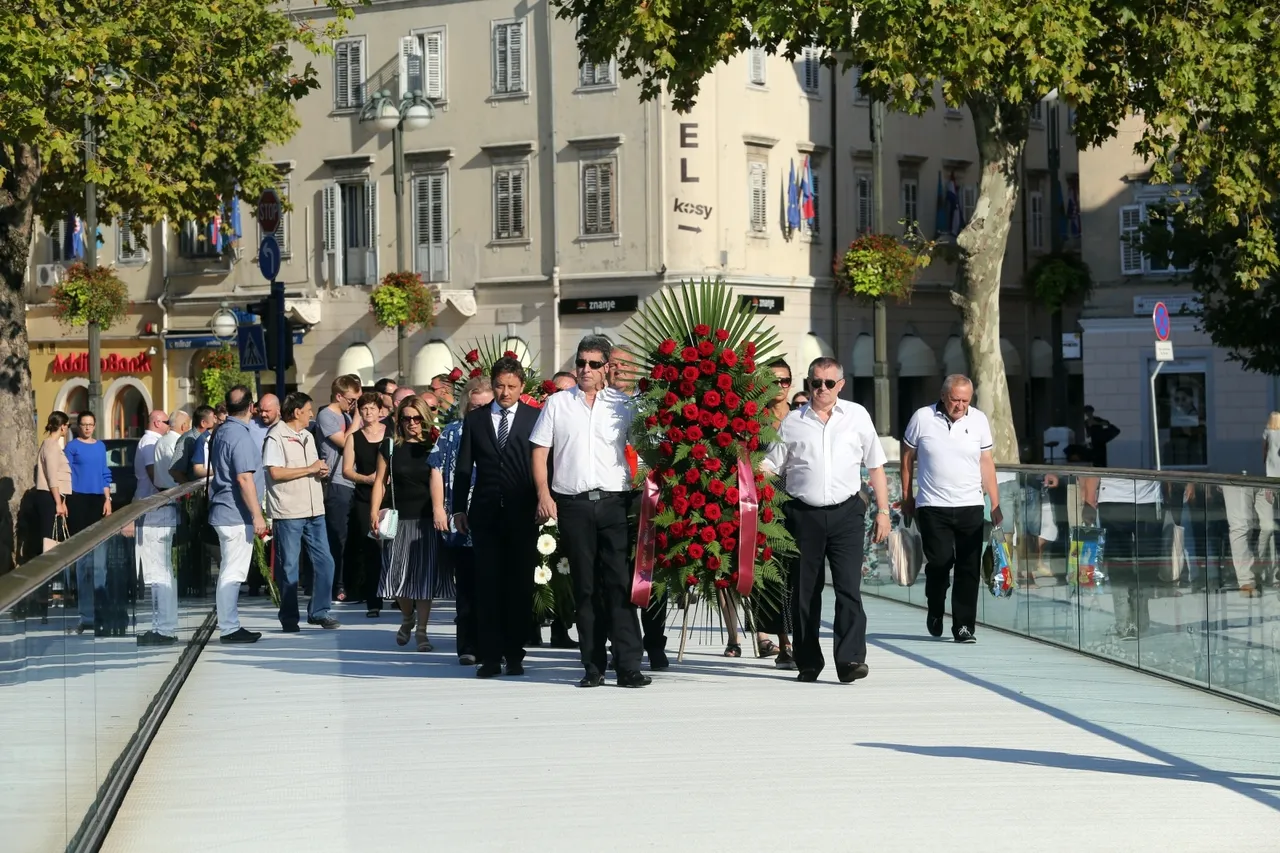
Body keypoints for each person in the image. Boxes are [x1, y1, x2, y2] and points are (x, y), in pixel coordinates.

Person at [531, 335, 650, 689]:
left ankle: (628, 664)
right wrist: (543, 493)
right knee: (585, 586)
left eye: (593, 364)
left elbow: (644, 449)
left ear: (607, 368)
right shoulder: (557, 404)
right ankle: (592, 665)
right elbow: (540, 452)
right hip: (573, 504)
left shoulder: (623, 404)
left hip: (615, 502)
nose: (585, 369)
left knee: (619, 584)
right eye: (581, 362)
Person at [764, 357, 890, 683]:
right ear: (808, 384)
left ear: (841, 385)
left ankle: (850, 661)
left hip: (847, 512)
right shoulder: (792, 422)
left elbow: (875, 466)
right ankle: (808, 661)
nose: (821, 389)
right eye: (815, 383)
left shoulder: (857, 416)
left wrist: (883, 511)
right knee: (806, 591)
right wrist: (740, 480)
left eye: (828, 383)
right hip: (802, 513)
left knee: (849, 588)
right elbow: (771, 467)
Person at [453, 358, 541, 678]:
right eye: (500, 386)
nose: (505, 392)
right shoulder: (475, 420)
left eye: (512, 387)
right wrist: (459, 507)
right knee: (487, 585)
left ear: (522, 387)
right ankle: (489, 656)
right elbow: (464, 467)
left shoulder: (535, 417)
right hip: (485, 512)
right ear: (492, 384)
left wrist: (546, 501)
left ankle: (515, 653)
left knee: (518, 586)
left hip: (523, 511)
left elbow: (543, 465)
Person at [901, 374, 1001, 644]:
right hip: (933, 505)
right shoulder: (922, 417)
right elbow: (907, 457)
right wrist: (907, 496)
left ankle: (964, 626)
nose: (960, 405)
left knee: (969, 567)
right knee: (941, 562)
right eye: (955, 399)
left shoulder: (978, 419)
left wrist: (995, 502)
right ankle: (935, 607)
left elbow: (987, 462)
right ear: (943, 396)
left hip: (970, 504)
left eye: (965, 400)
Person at [369, 395, 446, 652]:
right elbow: (380, 481)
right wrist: (373, 512)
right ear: (399, 420)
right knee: (398, 576)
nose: (412, 423)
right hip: (399, 519)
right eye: (406, 418)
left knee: (423, 580)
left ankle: (422, 631)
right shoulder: (389, 446)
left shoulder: (434, 445)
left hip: (426, 520)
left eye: (416, 418)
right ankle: (406, 618)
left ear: (425, 418)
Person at [609, 346, 666, 669]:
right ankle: (619, 645)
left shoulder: (649, 405)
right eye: (612, 365)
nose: (616, 370)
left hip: (646, 495)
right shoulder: (599, 404)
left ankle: (655, 644)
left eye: (622, 365)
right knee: (615, 574)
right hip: (611, 494)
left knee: (650, 574)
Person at [264, 392, 340, 632]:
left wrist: (320, 472)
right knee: (289, 568)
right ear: (297, 412)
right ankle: (289, 618)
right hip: (289, 512)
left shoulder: (307, 435)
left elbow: (311, 469)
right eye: (308, 410)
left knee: (326, 563)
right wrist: (310, 469)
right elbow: (275, 472)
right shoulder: (276, 436)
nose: (310, 414)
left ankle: (319, 612)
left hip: (314, 510)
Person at [435, 378, 492, 664]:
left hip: (493, 518)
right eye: (474, 406)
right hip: (461, 520)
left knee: (491, 587)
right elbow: (436, 468)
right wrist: (439, 509)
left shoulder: (497, 431)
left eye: (485, 406)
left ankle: (492, 645)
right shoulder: (452, 432)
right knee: (467, 587)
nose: (479, 411)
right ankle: (468, 646)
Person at [209, 386, 268, 644]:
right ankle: (230, 627)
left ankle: (229, 625)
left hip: (225, 510)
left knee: (228, 571)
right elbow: (244, 478)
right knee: (233, 573)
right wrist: (257, 516)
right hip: (235, 514)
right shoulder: (240, 436)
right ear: (252, 407)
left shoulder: (222, 432)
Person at [1080, 474, 1163, 638]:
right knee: (1124, 563)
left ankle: (1133, 622)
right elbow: (1096, 464)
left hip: (1146, 499)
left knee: (1142, 564)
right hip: (1119, 498)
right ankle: (1128, 623)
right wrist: (1089, 499)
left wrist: (1089, 500)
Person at [64, 410, 112, 634]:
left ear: (94, 425)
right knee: (83, 563)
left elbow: (104, 473)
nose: (87, 428)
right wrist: (63, 501)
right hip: (78, 501)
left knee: (100, 562)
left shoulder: (101, 446)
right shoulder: (72, 447)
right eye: (83, 424)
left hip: (97, 501)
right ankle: (86, 615)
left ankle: (102, 612)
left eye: (90, 424)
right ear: (78, 426)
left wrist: (107, 499)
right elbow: (64, 475)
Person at [135, 410, 179, 646]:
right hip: (153, 511)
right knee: (157, 573)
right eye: (166, 422)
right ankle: (162, 627)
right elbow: (156, 478)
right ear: (156, 423)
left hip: (159, 513)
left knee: (161, 572)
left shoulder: (156, 442)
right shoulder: (150, 443)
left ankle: (164, 627)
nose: (168, 426)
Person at [343, 392, 389, 618]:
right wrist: (367, 478)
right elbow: (347, 470)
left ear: (381, 410)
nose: (368, 413)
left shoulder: (391, 433)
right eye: (364, 409)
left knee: (395, 548)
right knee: (370, 549)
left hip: (391, 497)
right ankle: (373, 599)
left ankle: (401, 596)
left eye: (372, 408)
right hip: (364, 497)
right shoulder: (354, 437)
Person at [318, 375, 362, 603]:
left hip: (353, 481)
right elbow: (346, 442)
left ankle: (351, 583)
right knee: (338, 537)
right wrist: (357, 418)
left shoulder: (346, 414)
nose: (354, 404)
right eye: (352, 400)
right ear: (339, 396)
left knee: (352, 537)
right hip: (337, 482)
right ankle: (338, 585)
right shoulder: (326, 415)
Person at [35, 411, 72, 554]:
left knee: (55, 537)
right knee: (50, 537)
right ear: (62, 427)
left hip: (54, 497)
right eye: (67, 425)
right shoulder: (50, 446)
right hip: (49, 497)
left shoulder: (53, 445)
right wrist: (58, 502)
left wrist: (62, 502)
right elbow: (52, 477)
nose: (67, 429)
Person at [170, 405, 215, 483]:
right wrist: (190, 490)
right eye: (214, 419)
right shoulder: (186, 441)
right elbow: (175, 471)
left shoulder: (208, 438)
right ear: (203, 423)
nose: (216, 422)